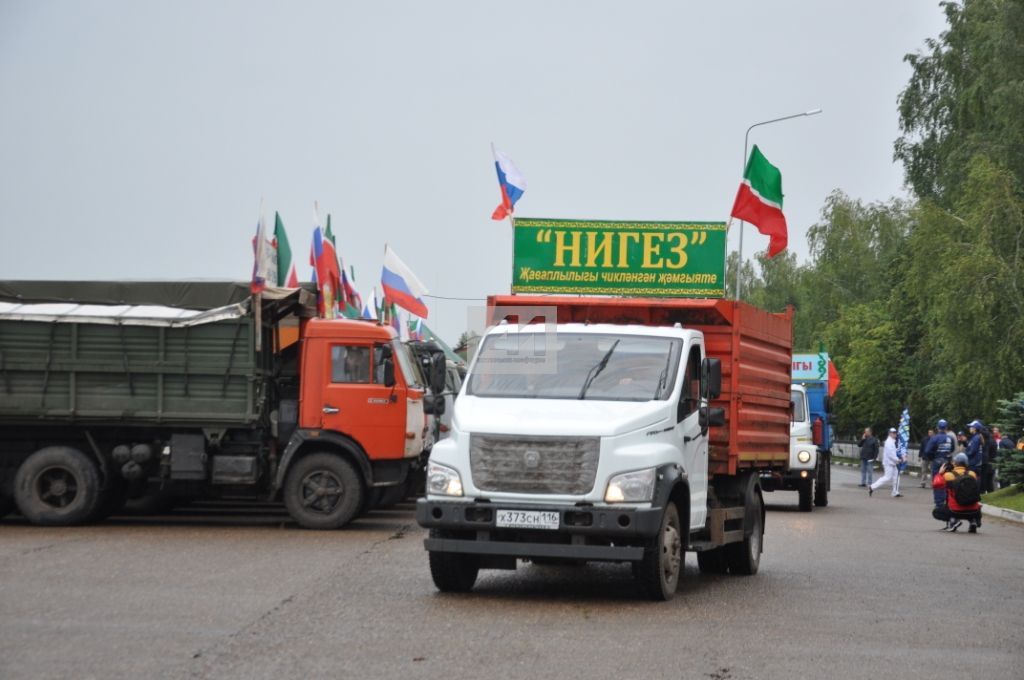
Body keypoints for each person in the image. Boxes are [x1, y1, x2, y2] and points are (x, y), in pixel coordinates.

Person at [931, 453, 982, 532]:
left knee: (936, 512)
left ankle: (953, 521)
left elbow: (936, 485)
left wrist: (940, 473)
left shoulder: (949, 475)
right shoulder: (972, 474)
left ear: (954, 462)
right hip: (973, 511)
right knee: (978, 506)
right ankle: (973, 521)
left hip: (955, 510)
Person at [922, 419, 957, 508]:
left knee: (938, 482)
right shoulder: (950, 438)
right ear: (946, 428)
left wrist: (933, 457)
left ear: (938, 428)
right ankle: (947, 501)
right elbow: (952, 449)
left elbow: (927, 451)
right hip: (947, 463)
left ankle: (939, 503)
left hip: (937, 463)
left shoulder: (934, 438)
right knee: (947, 482)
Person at [869, 427, 904, 497]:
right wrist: (898, 460)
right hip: (889, 463)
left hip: (892, 463)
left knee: (896, 477)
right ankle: (872, 487)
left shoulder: (892, 441)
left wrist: (898, 458)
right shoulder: (889, 442)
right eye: (893, 433)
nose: (895, 434)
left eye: (895, 433)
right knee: (887, 477)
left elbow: (893, 452)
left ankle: (895, 492)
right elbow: (891, 455)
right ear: (890, 433)